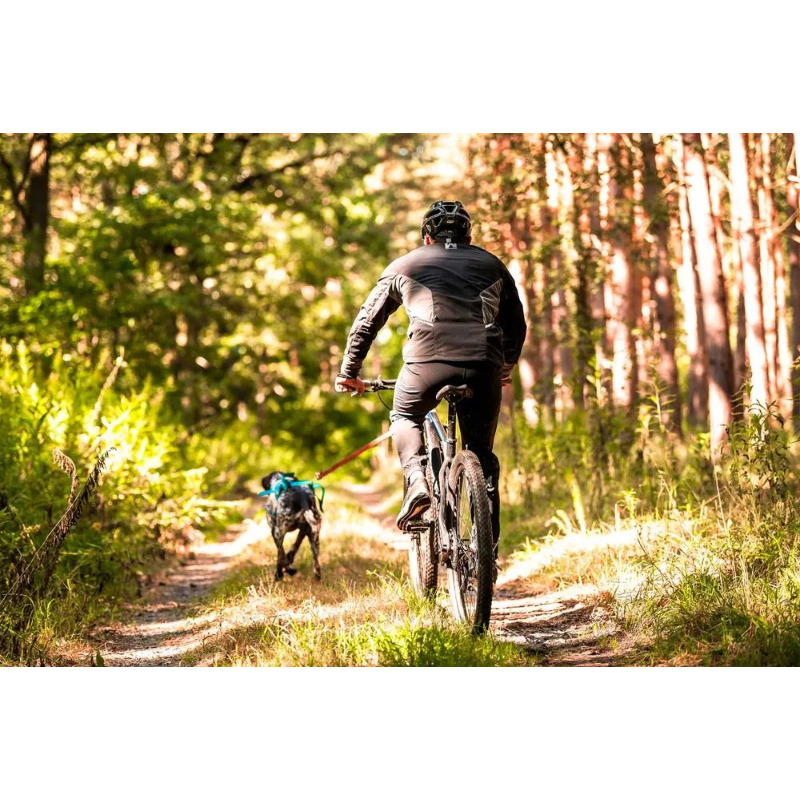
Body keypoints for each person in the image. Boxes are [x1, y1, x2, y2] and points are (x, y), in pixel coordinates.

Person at [335, 200, 527, 557]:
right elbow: (516, 323)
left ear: (427, 237)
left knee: (404, 416)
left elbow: (367, 322)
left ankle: (417, 480)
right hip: (484, 365)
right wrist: (506, 366)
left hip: (426, 365)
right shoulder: (492, 264)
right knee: (482, 456)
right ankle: (489, 553)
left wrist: (350, 372)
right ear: (468, 235)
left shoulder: (405, 264)